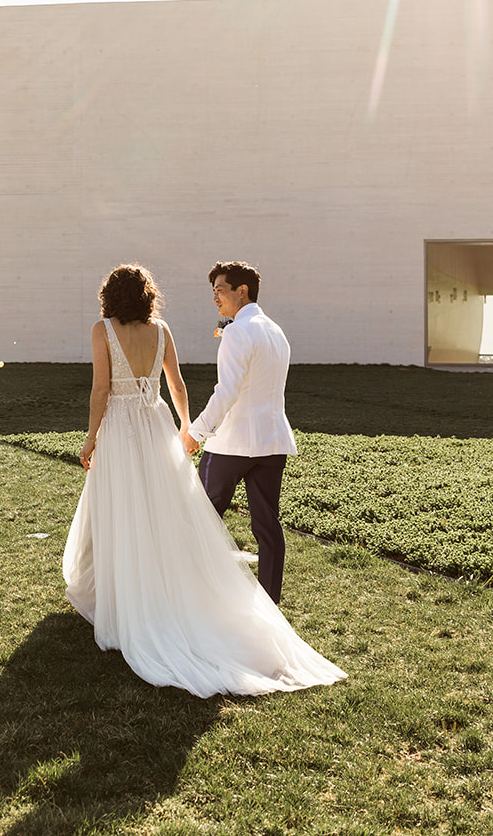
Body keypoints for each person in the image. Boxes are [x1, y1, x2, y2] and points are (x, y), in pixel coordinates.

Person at [62, 263, 345, 698]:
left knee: (123, 507)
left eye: (220, 290)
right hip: (160, 424)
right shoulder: (165, 330)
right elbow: (176, 385)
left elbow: (102, 390)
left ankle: (125, 597)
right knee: (166, 508)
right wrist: (182, 423)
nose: (215, 295)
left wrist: (91, 437)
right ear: (147, 295)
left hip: (123, 427)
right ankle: (184, 587)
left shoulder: (102, 331)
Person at [183, 261, 299, 604]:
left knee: (201, 519)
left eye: (220, 291)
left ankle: (194, 594)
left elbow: (227, 391)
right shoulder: (276, 331)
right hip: (271, 442)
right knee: (267, 525)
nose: (215, 299)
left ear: (242, 291)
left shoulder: (237, 332)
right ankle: (269, 603)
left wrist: (196, 432)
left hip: (232, 445)